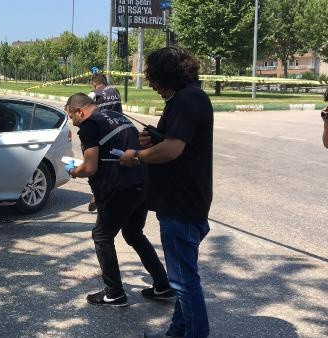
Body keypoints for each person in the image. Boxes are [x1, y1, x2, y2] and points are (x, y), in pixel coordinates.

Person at [119, 46, 213, 338]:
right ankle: (177, 331)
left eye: (153, 78)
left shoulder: (187, 100)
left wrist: (136, 155)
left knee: (184, 282)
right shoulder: (187, 98)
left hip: (181, 204)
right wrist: (153, 141)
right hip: (184, 200)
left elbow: (173, 149)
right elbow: (174, 142)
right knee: (183, 277)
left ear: (166, 76)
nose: (150, 84)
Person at [64, 93, 174, 307]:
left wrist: (74, 171)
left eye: (71, 116)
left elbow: (91, 167)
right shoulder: (118, 116)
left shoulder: (89, 126)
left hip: (120, 189)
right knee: (133, 234)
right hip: (142, 182)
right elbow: (114, 156)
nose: (72, 121)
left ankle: (114, 293)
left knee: (102, 236)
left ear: (80, 111)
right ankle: (163, 286)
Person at [86, 73, 124, 212]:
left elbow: (87, 112)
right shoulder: (115, 90)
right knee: (116, 161)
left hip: (102, 133)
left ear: (95, 83)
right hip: (119, 130)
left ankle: (97, 193)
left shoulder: (93, 94)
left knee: (95, 163)